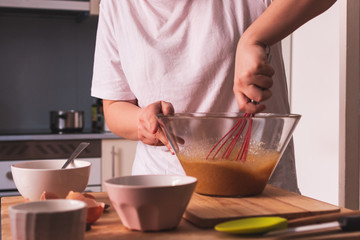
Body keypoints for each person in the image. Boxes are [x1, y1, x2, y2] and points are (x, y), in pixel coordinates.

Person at [91, 0, 336, 193]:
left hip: (261, 192)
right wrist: (142, 123)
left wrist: (254, 38)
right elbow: (114, 106)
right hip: (164, 193)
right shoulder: (116, 5)